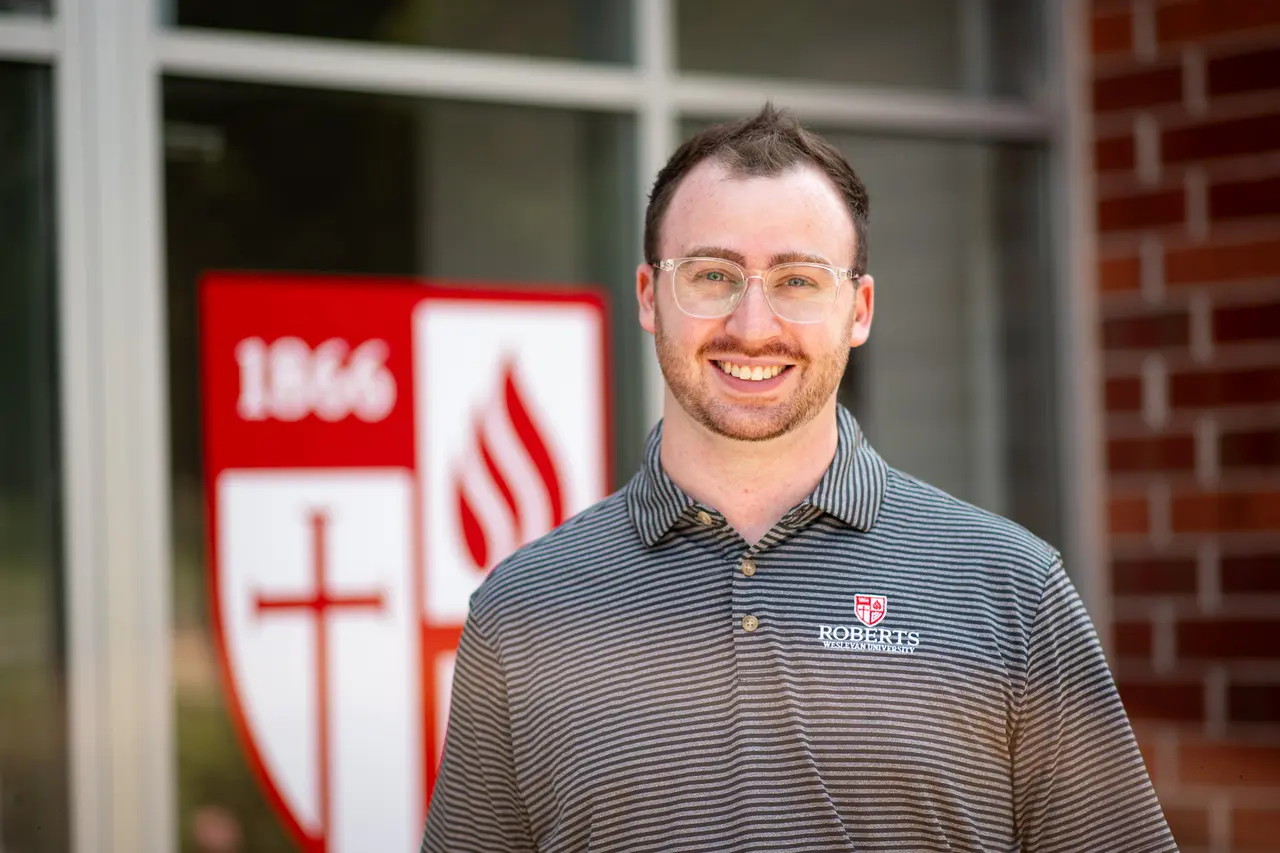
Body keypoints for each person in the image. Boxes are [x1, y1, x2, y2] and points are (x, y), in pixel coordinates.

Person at [421, 104, 1177, 852]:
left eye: (798, 280)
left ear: (859, 308)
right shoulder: (524, 609)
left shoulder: (1009, 590)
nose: (753, 327)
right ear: (650, 297)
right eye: (712, 275)